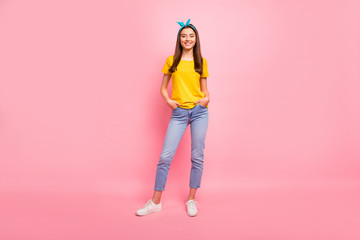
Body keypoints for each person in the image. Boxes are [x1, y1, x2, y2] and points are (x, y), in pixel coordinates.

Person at [136, 19, 210, 217]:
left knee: (197, 157)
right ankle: (156, 202)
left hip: (199, 112)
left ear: (196, 39)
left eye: (191, 36)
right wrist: (168, 100)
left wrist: (206, 99)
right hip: (178, 113)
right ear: (179, 39)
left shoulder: (201, 62)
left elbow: (205, 90)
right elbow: (162, 88)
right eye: (184, 36)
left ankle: (191, 199)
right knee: (165, 158)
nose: (187, 39)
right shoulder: (172, 60)